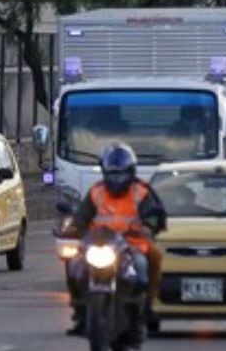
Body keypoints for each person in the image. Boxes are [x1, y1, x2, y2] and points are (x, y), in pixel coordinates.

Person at [60, 143, 166, 338]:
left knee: (147, 264)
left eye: (121, 174)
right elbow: (82, 216)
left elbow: (154, 213)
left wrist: (148, 226)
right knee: (74, 265)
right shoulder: (96, 192)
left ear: (131, 172)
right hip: (99, 244)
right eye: (112, 174)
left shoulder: (141, 192)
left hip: (131, 245)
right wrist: (73, 227)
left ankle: (147, 307)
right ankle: (80, 311)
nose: (116, 179)